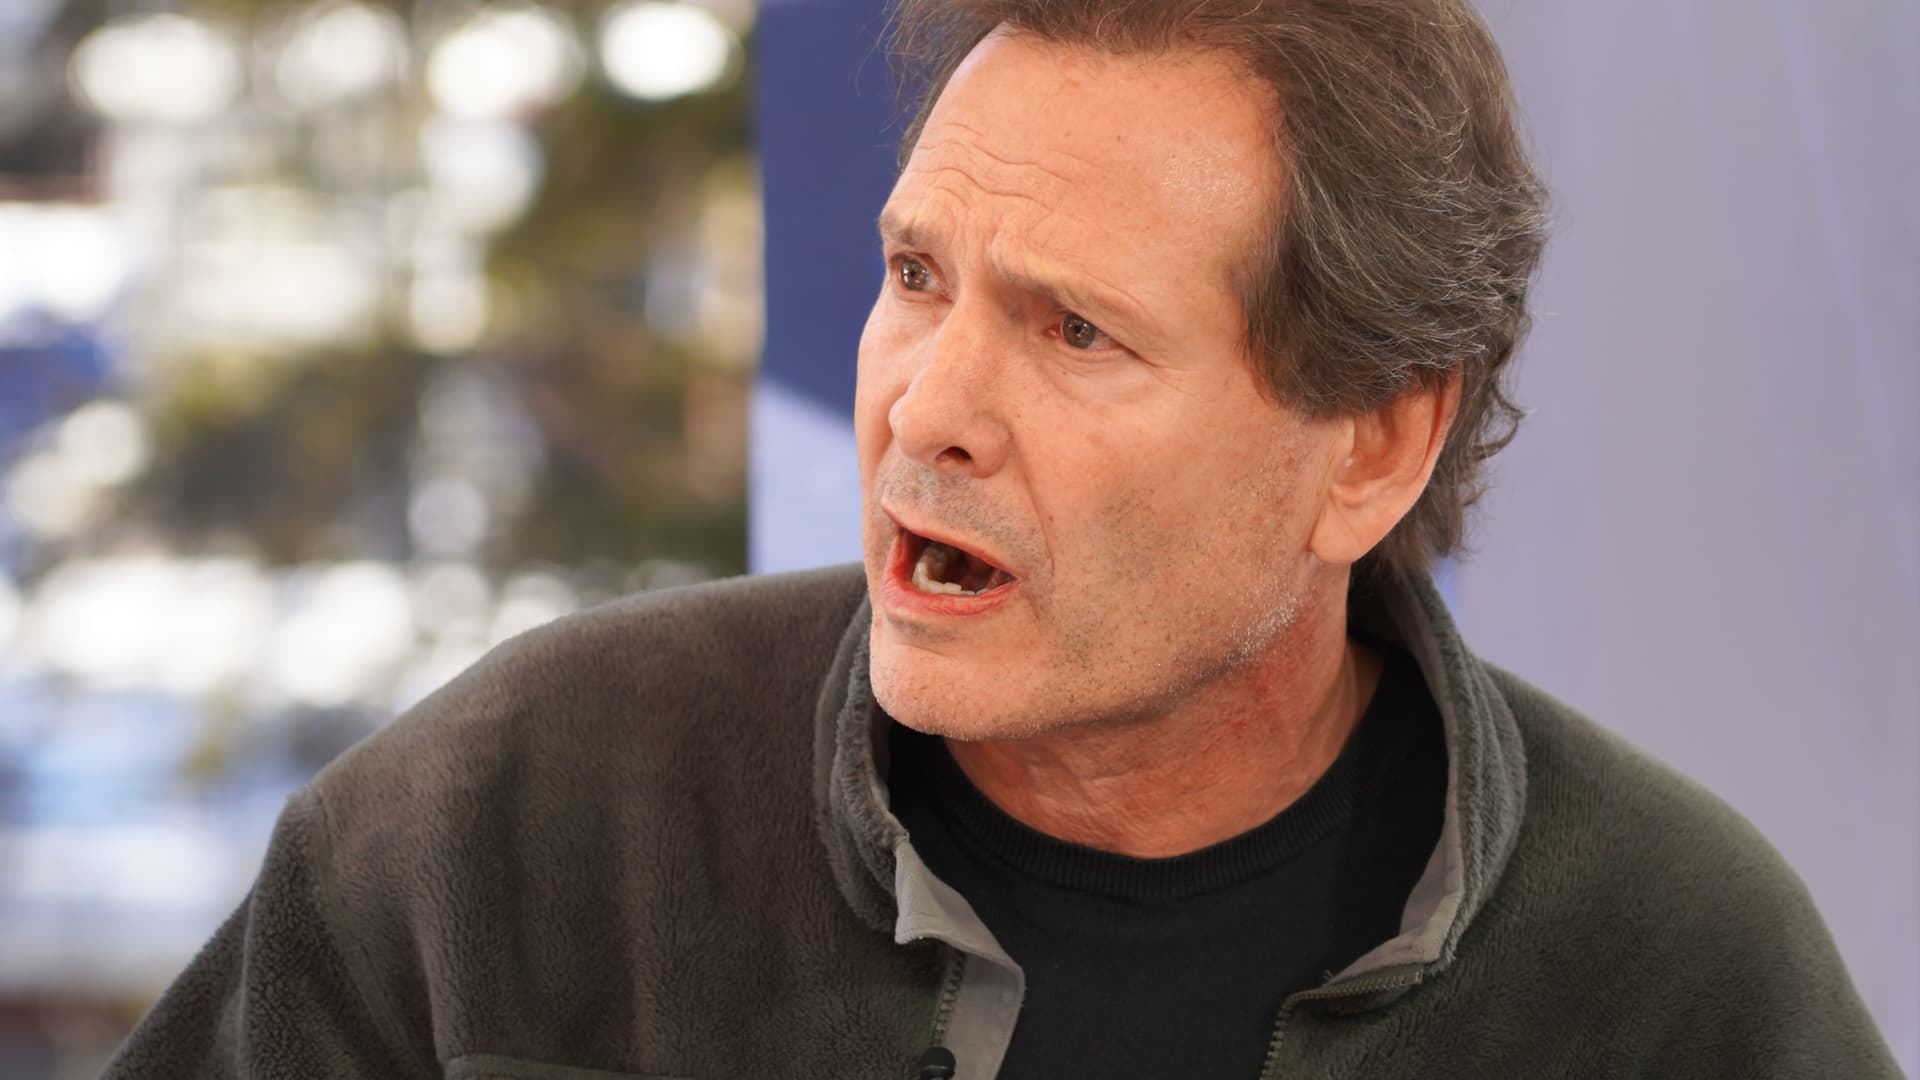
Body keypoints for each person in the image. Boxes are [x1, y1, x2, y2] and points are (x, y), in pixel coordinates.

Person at [105, 1, 1901, 1077]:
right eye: (916, 276)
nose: (928, 407)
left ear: (1372, 446)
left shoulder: (1684, 974)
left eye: (1076, 330)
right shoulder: (502, 819)